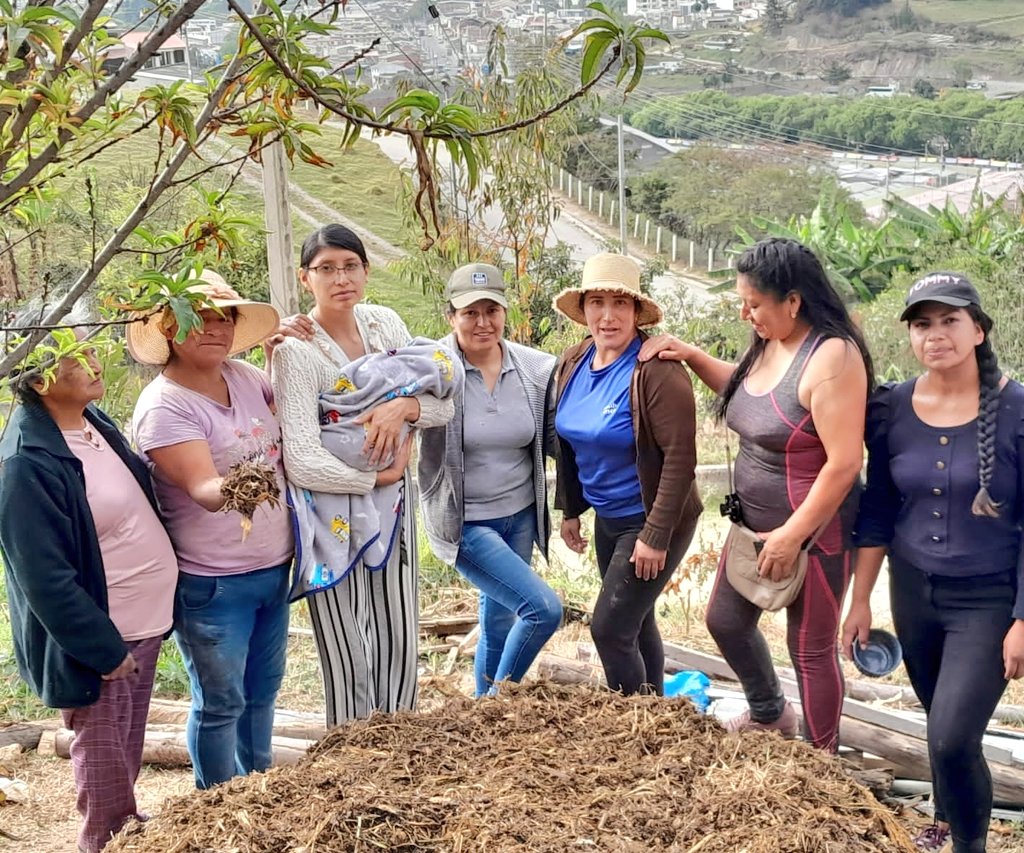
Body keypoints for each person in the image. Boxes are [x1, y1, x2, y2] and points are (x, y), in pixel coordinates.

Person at [640, 237, 871, 752]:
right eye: (742, 302)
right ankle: (770, 713)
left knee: (808, 649)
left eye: (755, 304)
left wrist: (792, 535)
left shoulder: (832, 356)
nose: (746, 314)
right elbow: (749, 396)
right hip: (752, 525)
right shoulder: (770, 339)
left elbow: (844, 463)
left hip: (815, 532)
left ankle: (822, 760)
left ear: (794, 301)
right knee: (724, 619)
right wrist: (693, 355)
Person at [842, 273, 1024, 853]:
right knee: (937, 716)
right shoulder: (890, 407)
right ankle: (945, 819)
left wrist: (1023, 618)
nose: (935, 334)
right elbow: (878, 507)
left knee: (951, 737)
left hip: (988, 601)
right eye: (922, 324)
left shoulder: (1018, 410)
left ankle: (970, 845)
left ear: (979, 330)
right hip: (913, 592)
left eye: (950, 320)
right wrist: (860, 600)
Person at [0, 329, 178, 852]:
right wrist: (102, 650)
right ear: (37, 379)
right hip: (103, 642)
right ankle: (104, 843)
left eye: (92, 349)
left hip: (142, 622)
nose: (94, 362)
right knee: (104, 773)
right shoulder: (25, 463)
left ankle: (127, 833)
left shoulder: (91, 421)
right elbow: (44, 578)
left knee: (125, 754)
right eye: (75, 357)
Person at [271, 223, 454, 726]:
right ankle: (350, 748)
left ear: (366, 271)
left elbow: (444, 406)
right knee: (344, 637)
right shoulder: (296, 350)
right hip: (330, 509)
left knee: (398, 625)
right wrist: (375, 479)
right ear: (305, 278)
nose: (341, 279)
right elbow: (301, 458)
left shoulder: (384, 325)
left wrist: (404, 408)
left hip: (393, 506)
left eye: (350, 266)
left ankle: (402, 739)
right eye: (326, 269)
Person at [129, 272, 292, 790]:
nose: (216, 329)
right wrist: (247, 483)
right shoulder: (165, 407)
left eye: (226, 318)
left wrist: (285, 358)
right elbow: (203, 487)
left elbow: (286, 417)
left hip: (273, 569)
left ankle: (259, 789)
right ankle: (217, 803)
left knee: (262, 692)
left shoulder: (244, 377)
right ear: (170, 327)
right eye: (199, 318)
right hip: (214, 583)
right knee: (222, 701)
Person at [553, 252, 702, 696]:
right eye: (597, 302)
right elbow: (568, 441)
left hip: (652, 515)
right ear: (584, 309)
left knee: (609, 629)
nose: (608, 315)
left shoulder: (656, 370)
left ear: (637, 311)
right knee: (635, 622)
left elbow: (680, 458)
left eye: (620, 303)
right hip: (609, 517)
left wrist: (655, 535)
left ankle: (633, 721)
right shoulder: (574, 361)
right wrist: (571, 509)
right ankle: (654, 709)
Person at [418, 263, 562, 697]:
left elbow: (557, 440)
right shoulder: (432, 368)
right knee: (542, 610)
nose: (483, 322)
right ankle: (500, 704)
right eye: (470, 313)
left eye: (491, 310)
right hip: (466, 523)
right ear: (451, 316)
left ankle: (482, 705)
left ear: (504, 312)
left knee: (499, 618)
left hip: (519, 515)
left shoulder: (536, 369)